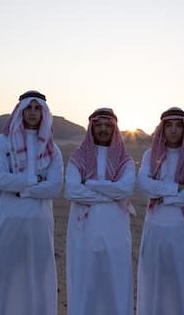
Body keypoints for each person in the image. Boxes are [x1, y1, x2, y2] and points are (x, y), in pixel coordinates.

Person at [0, 91, 63, 315]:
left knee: (35, 279)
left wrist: (21, 188)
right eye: (29, 108)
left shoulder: (52, 150)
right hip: (7, 221)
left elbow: (54, 187)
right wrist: (35, 182)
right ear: (20, 111)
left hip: (38, 225)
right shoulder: (1, 143)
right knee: (3, 278)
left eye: (37, 108)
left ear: (44, 112)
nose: (33, 113)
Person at [64, 107, 136, 315]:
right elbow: (72, 190)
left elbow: (125, 189)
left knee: (115, 280)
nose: (103, 129)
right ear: (91, 128)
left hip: (116, 230)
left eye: (108, 125)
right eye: (99, 125)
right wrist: (111, 195)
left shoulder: (125, 160)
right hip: (83, 231)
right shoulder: (78, 157)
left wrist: (90, 184)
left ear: (115, 129)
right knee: (86, 281)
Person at [136, 107, 184, 315]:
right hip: (155, 230)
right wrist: (175, 189)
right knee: (156, 281)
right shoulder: (151, 154)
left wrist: (162, 196)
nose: (173, 131)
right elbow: (143, 184)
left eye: (178, 126)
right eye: (169, 126)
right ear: (162, 128)